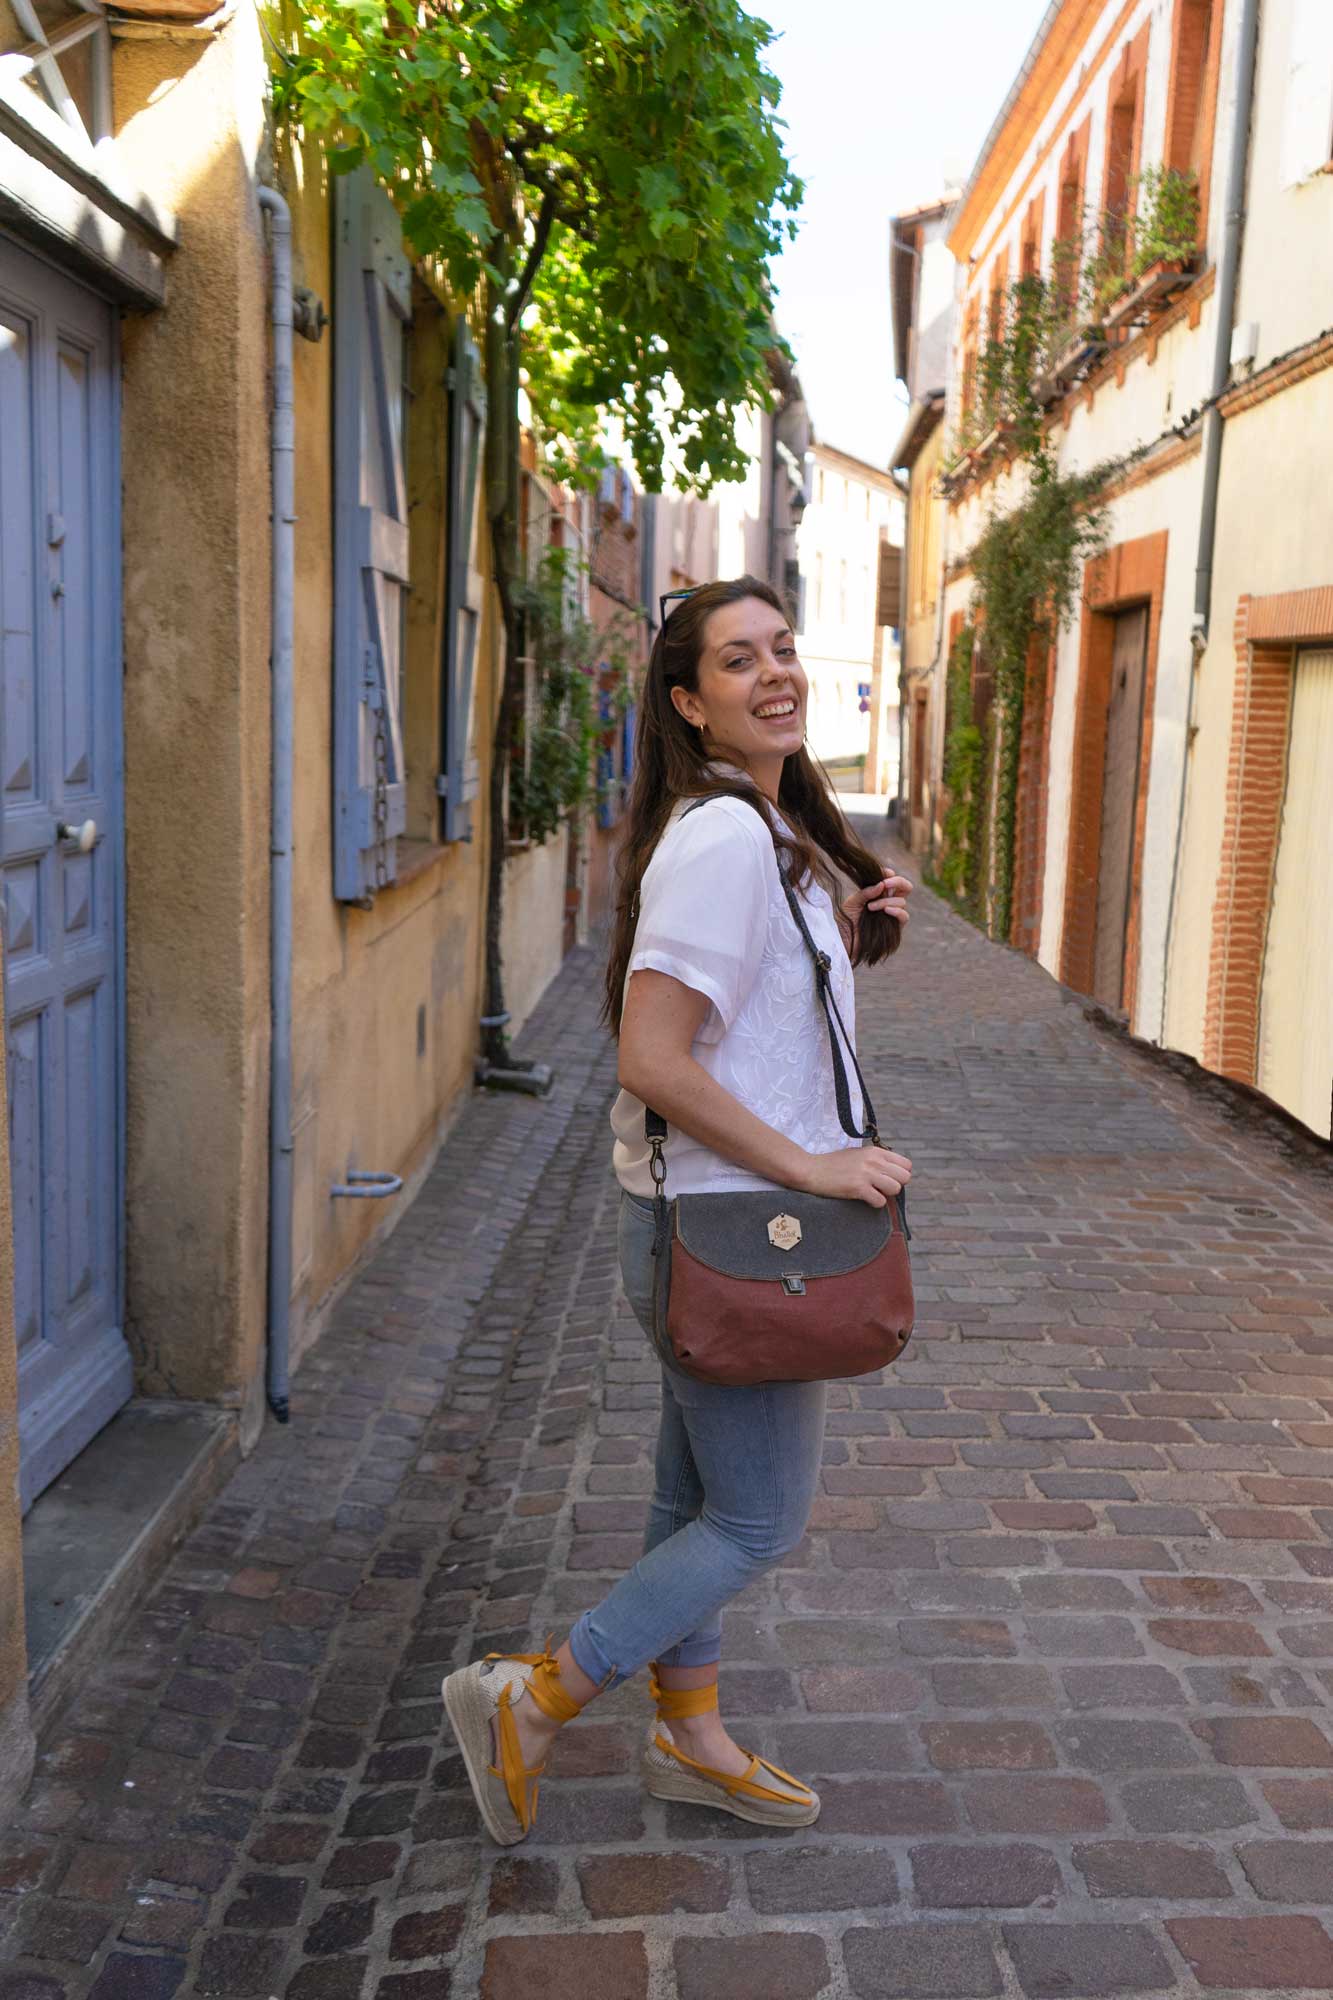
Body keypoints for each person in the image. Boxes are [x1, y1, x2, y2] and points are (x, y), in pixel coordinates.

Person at [442, 575, 914, 1845]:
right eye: (738, 658)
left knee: (691, 1500)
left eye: (783, 647)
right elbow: (652, 1058)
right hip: (734, 1230)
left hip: (717, 1224)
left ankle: (688, 1734)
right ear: (689, 702)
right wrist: (813, 1167)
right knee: (756, 1519)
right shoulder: (722, 839)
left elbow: (747, 1019)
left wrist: (838, 935)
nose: (775, 672)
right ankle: (535, 1698)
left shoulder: (765, 831)